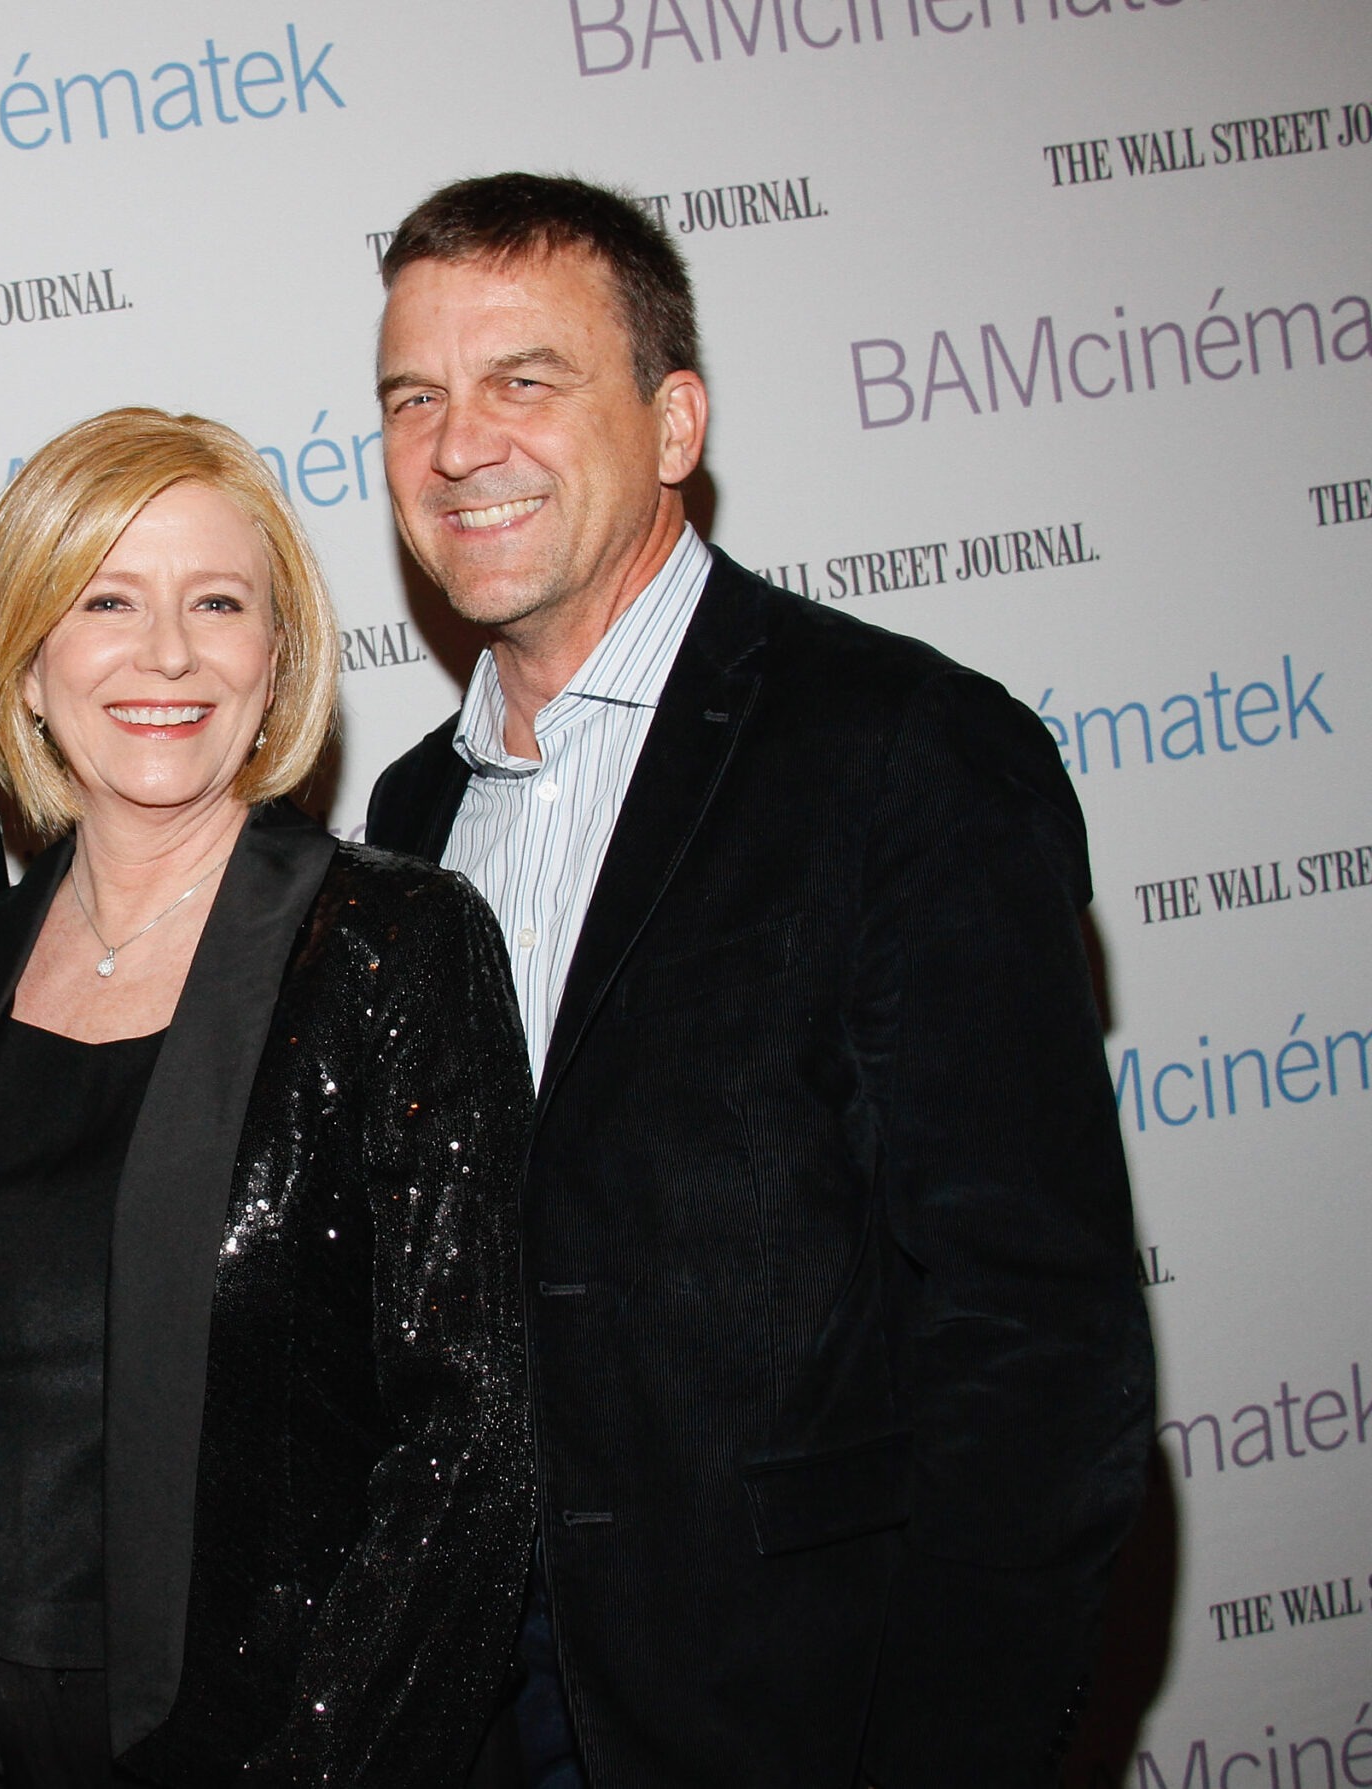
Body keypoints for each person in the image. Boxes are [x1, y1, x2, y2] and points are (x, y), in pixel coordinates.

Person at [362, 173, 1156, 1788]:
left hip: (798, 1701)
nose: (459, 444)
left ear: (673, 423)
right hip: (480, 1711)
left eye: (526, 379)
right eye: (414, 397)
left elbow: (1035, 1336)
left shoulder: (904, 753)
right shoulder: (408, 814)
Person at [0, 408, 535, 1788]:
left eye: (217, 602)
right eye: (106, 598)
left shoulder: (389, 949)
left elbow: (477, 1444)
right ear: (24, 659)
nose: (167, 653)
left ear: (273, 663)